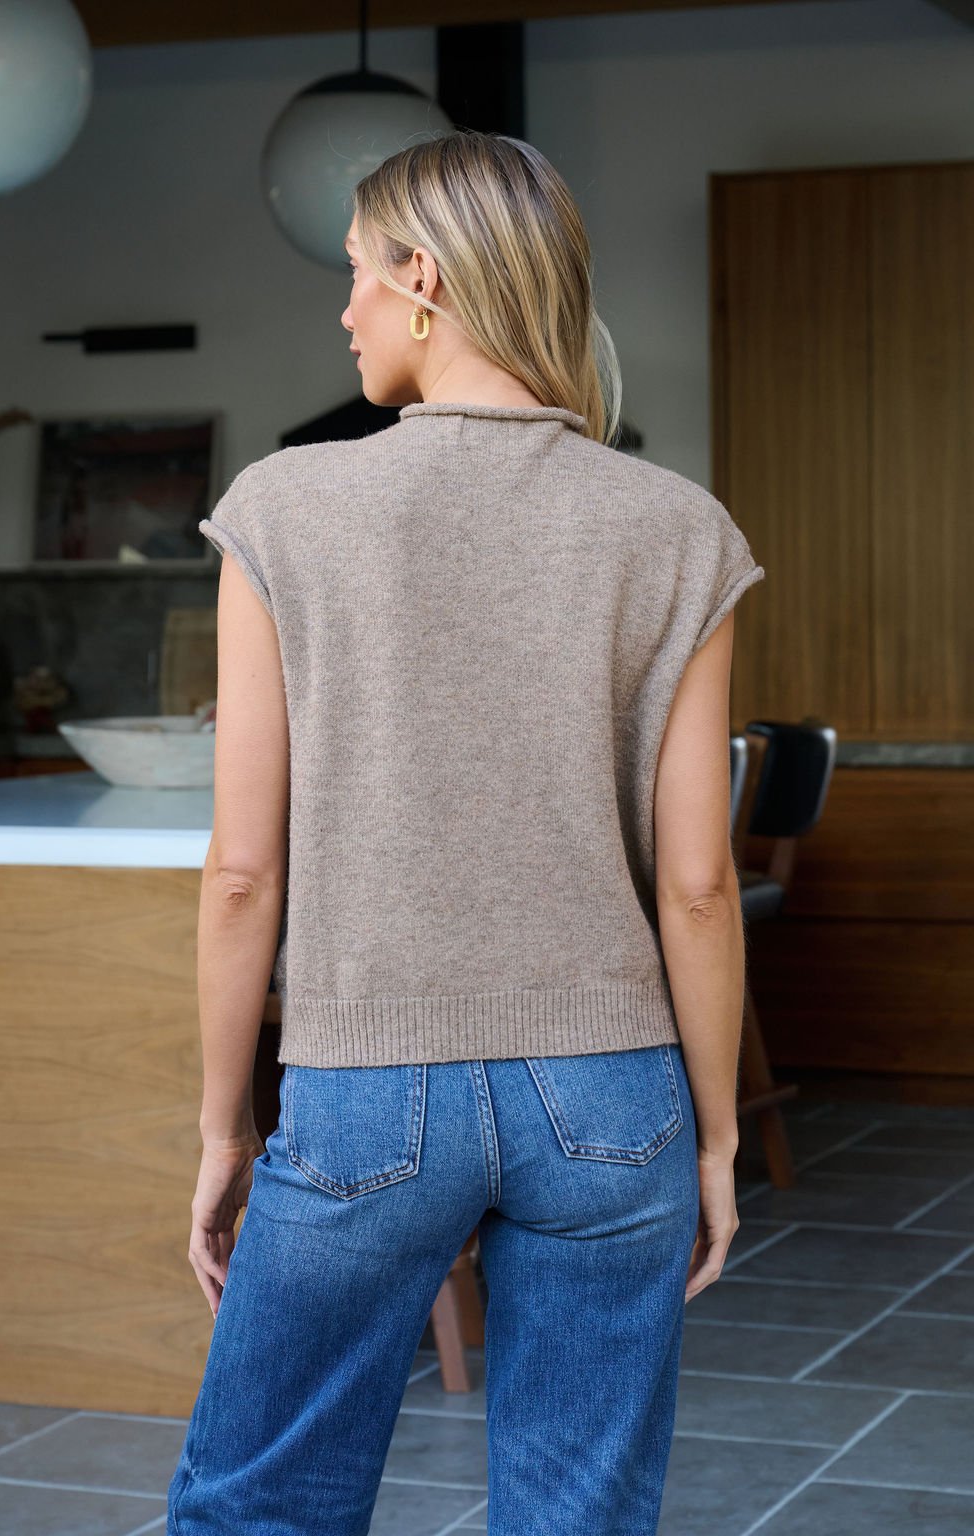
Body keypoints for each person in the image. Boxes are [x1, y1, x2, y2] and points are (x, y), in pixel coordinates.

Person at [167, 129, 765, 1536]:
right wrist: (718, 1135)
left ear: (421, 277)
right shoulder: (676, 529)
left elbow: (245, 869)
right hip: (614, 1101)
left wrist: (218, 1126)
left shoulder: (284, 509)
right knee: (579, 1512)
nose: (346, 309)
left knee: (261, 1505)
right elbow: (696, 886)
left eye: (356, 274)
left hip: (365, 1086)